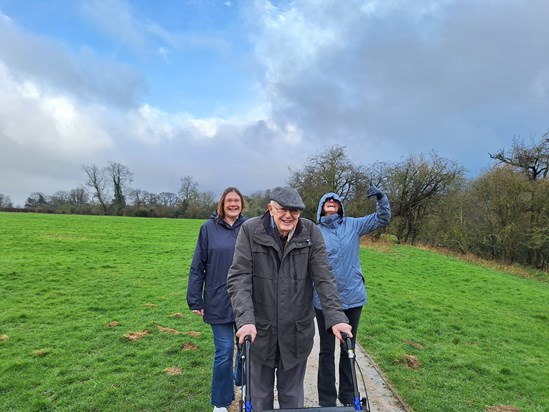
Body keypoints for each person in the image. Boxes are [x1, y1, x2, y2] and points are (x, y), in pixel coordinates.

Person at [227, 186, 353, 412]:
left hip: (296, 332)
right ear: (270, 209)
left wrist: (336, 317)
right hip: (259, 332)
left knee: (292, 398)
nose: (288, 215)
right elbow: (239, 277)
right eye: (283, 209)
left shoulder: (311, 232)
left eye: (294, 211)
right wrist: (245, 320)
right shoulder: (250, 230)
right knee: (260, 397)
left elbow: (324, 277)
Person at [313, 183, 391, 407]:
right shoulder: (314, 231)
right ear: (321, 207)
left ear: (340, 206)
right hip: (324, 301)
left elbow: (382, 218)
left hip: (353, 297)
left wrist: (381, 197)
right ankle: (327, 401)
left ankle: (347, 398)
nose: (331, 202)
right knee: (326, 350)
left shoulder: (353, 225)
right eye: (327, 200)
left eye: (335, 200)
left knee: (348, 347)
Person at [187, 187, 247, 412]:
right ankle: (221, 402)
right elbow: (197, 266)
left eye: (237, 201)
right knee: (224, 350)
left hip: (245, 300)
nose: (233, 204)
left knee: (245, 347)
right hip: (217, 299)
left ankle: (242, 382)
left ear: (242, 204)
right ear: (222, 204)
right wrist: (195, 299)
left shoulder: (249, 228)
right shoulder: (208, 229)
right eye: (229, 200)